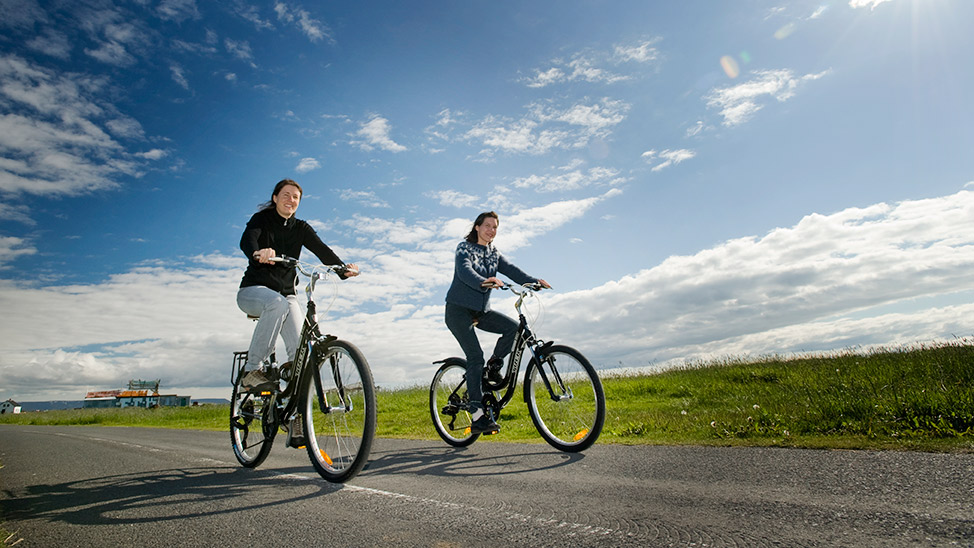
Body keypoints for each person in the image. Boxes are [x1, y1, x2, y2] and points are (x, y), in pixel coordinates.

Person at [237, 178, 359, 396]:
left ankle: (296, 417)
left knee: (301, 356)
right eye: (286, 195)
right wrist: (258, 252)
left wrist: (342, 269)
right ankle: (252, 370)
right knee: (277, 303)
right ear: (275, 198)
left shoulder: (301, 228)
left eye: (295, 197)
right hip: (253, 291)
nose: (290, 200)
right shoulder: (261, 219)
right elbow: (247, 240)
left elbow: (322, 250)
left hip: (286, 296)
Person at [444, 211, 550, 434]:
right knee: (474, 356)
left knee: (513, 328)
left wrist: (533, 281)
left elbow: (511, 270)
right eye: (488, 226)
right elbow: (465, 271)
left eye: (495, 228)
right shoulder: (464, 248)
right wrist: (484, 281)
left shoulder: (494, 253)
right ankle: (477, 415)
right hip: (458, 310)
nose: (491, 230)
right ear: (477, 227)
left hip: (481, 311)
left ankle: (493, 367)